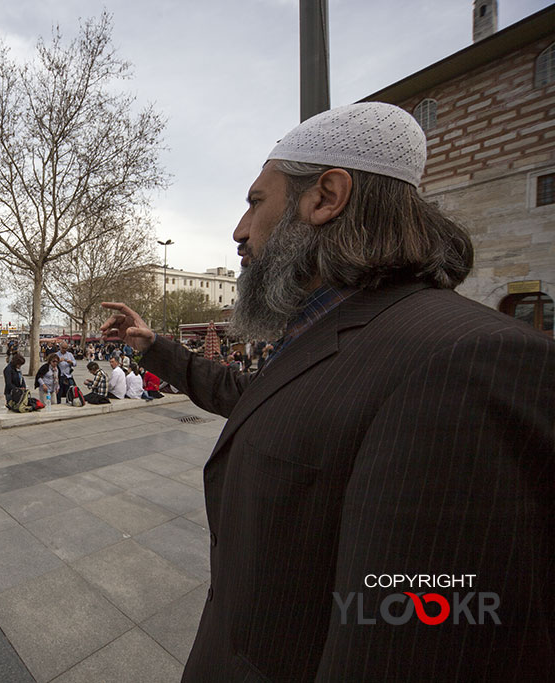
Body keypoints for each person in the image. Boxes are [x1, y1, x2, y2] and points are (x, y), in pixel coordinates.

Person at [99, 102, 555, 681]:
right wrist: (152, 345)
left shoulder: (464, 358)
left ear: (325, 198)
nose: (240, 231)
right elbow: (252, 396)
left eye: (256, 203)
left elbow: (414, 632)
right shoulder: (327, 331)